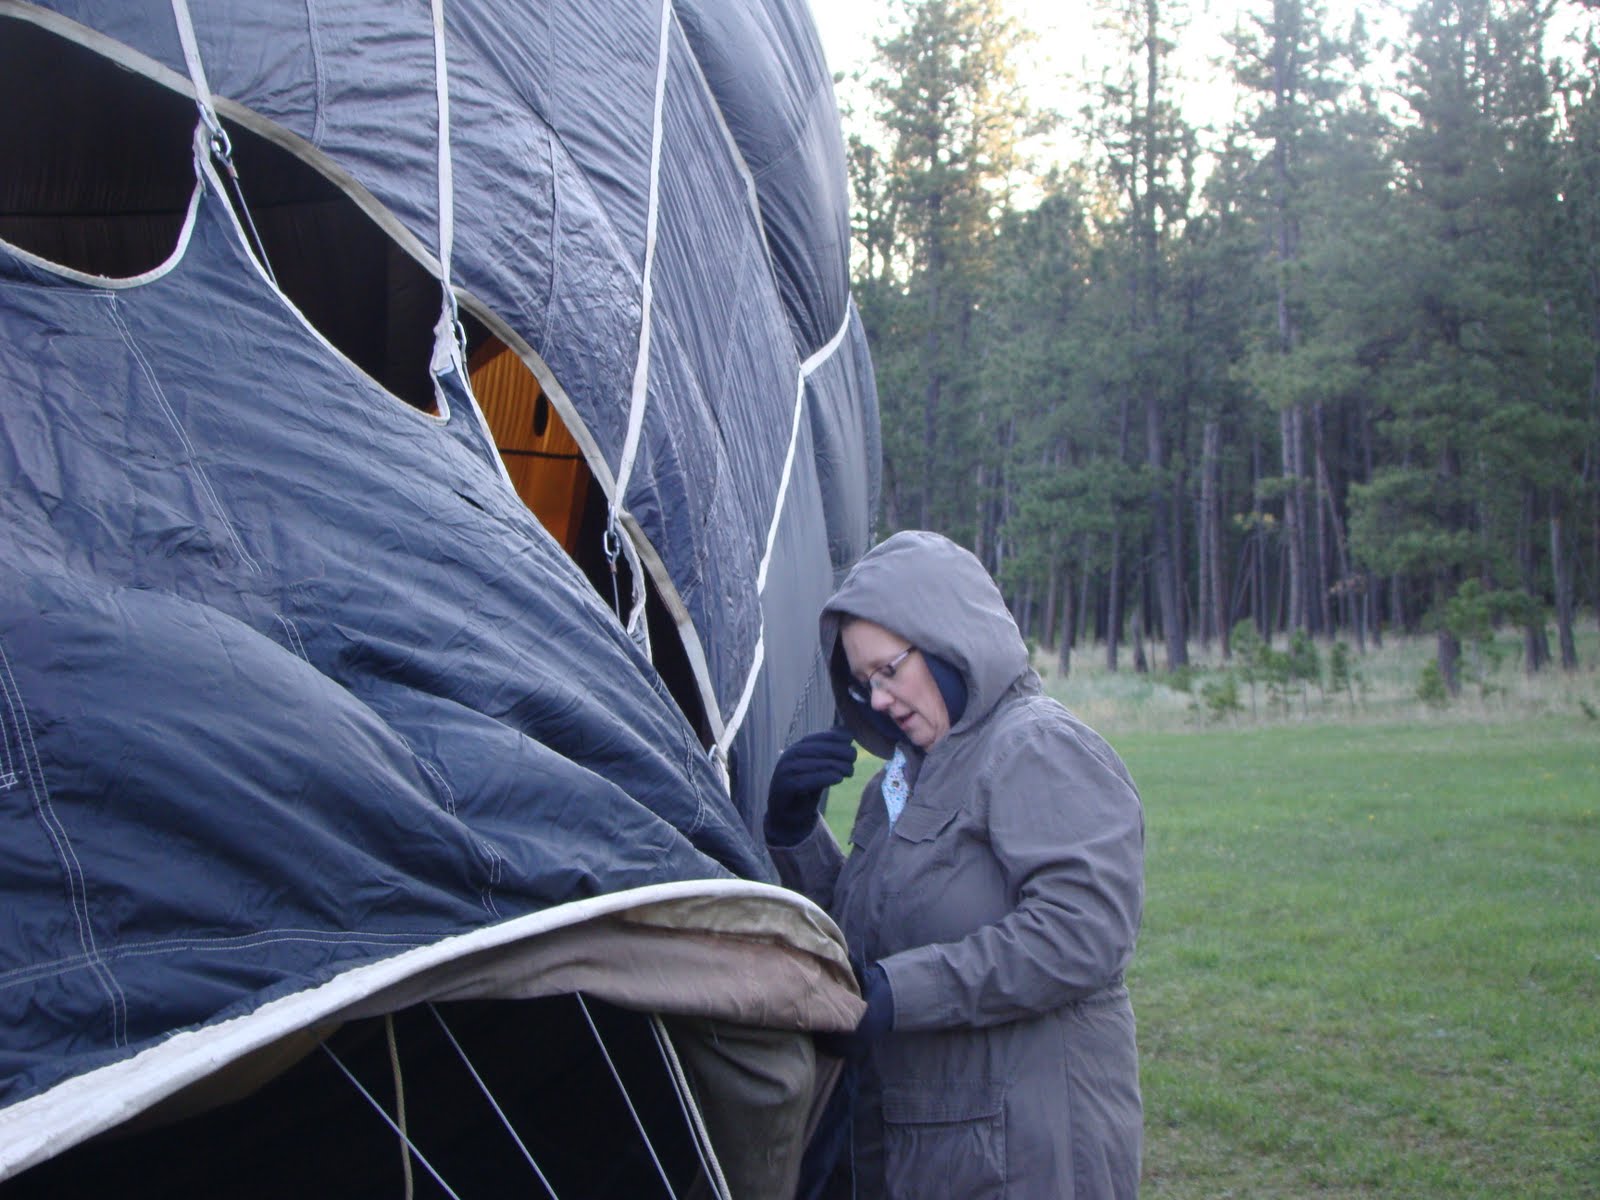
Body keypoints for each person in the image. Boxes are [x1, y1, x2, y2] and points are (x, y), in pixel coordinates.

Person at [765, 530, 1145, 1199]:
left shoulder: (1035, 745)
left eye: (888, 670)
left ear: (949, 640)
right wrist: (795, 834)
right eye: (862, 683)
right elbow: (872, 936)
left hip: (1027, 1151)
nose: (877, 700)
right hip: (933, 1146)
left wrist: (898, 993)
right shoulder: (910, 779)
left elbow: (1082, 932)